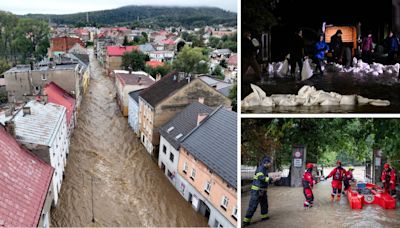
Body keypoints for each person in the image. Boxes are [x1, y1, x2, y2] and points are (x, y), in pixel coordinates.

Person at [243, 156, 275, 226]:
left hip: (262, 190)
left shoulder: (265, 169)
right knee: (253, 206)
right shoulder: (260, 169)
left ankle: (264, 216)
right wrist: (270, 179)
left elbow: (265, 180)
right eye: (270, 163)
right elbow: (261, 178)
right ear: (266, 163)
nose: (270, 164)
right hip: (257, 191)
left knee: (264, 204)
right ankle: (246, 221)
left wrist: (272, 180)